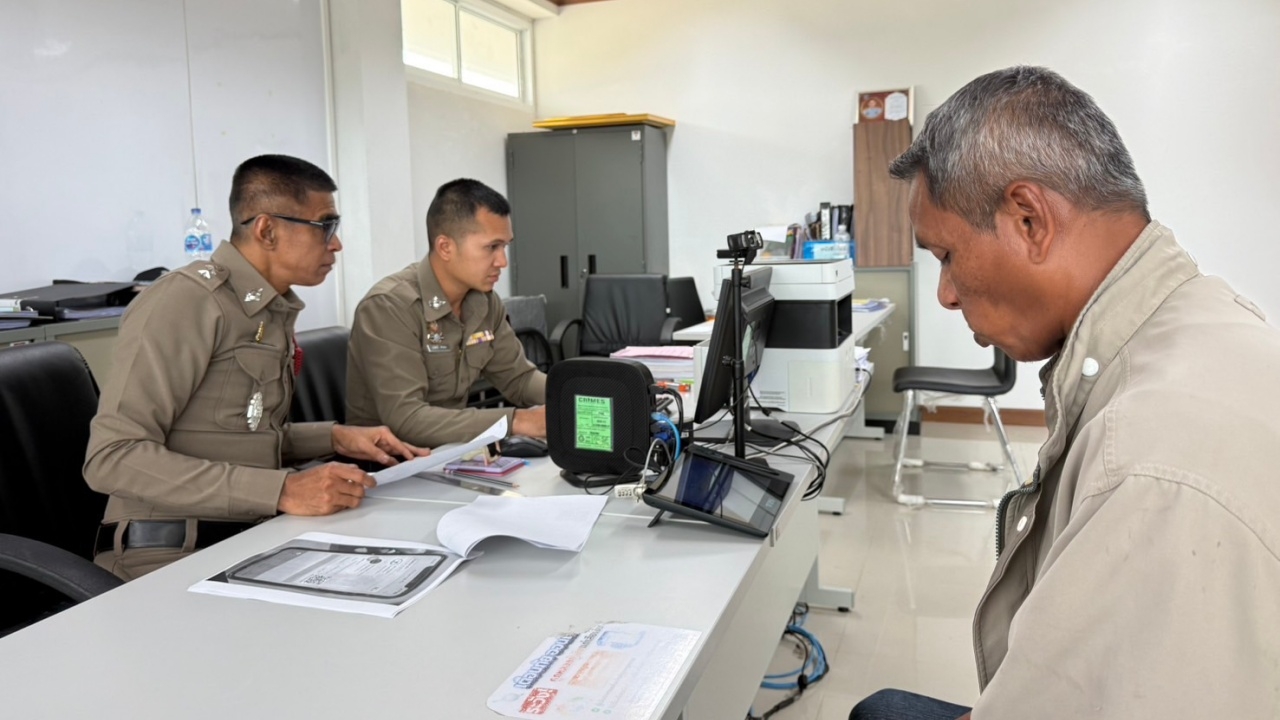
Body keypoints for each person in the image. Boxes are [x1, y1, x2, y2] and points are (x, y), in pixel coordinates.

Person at [851, 67, 1280, 719]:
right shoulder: (1204, 315)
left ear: (1029, 220)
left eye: (945, 256)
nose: (945, 294)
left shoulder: (1150, 466)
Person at [84, 154, 427, 581]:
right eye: (326, 226)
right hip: (171, 553)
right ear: (267, 230)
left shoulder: (267, 311)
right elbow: (113, 457)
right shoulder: (187, 302)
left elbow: (237, 437)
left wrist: (335, 436)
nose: (336, 244)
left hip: (251, 537)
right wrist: (283, 490)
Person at [346, 178, 546, 447]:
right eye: (491, 247)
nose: (502, 262)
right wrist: (517, 421)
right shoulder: (389, 306)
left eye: (505, 247)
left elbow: (519, 379)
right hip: (390, 467)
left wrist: (583, 396)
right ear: (445, 247)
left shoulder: (484, 302)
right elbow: (407, 419)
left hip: (453, 453)